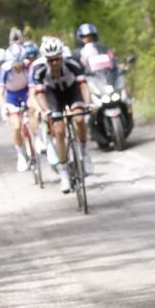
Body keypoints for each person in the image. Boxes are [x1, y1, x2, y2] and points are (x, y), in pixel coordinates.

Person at [30, 37, 94, 193]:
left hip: (72, 92)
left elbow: (83, 86)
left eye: (57, 59)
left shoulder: (73, 63)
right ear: (46, 59)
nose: (54, 63)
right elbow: (39, 95)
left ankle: (84, 153)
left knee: (79, 118)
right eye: (50, 60)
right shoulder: (39, 70)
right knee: (58, 130)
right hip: (53, 96)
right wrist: (45, 112)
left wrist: (89, 104)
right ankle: (64, 172)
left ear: (62, 56)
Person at [0, 44, 31, 173]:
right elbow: (0, 91)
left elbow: (35, 87)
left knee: (35, 115)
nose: (18, 67)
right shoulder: (5, 69)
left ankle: (41, 141)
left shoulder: (29, 66)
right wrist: (3, 107)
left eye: (20, 63)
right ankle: (21, 154)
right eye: (15, 64)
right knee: (16, 125)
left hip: (26, 93)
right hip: (12, 97)